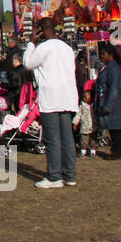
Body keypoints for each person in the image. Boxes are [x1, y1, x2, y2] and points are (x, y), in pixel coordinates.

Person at [22, 18, 79, 189]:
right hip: (68, 96)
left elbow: (28, 63)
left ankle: (54, 177)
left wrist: (31, 43)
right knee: (67, 137)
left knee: (52, 139)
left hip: (51, 98)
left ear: (40, 30)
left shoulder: (44, 47)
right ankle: (69, 175)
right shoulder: (67, 48)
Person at [95, 43, 121, 159]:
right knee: (113, 128)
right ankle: (115, 150)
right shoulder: (108, 67)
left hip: (114, 102)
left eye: (104, 54)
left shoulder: (114, 69)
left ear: (111, 55)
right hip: (109, 100)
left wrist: (108, 105)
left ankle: (118, 152)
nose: (102, 56)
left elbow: (114, 87)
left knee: (117, 128)